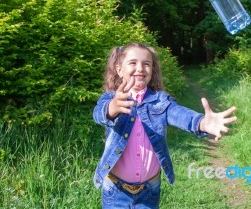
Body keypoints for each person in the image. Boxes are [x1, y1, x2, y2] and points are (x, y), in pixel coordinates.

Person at [92, 43, 237, 208]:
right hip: (115, 190)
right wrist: (112, 108)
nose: (140, 68)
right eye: (133, 63)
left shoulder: (160, 101)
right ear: (119, 69)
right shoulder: (111, 98)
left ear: (152, 70)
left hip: (149, 191)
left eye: (146, 64)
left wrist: (203, 123)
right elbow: (99, 114)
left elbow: (181, 115)